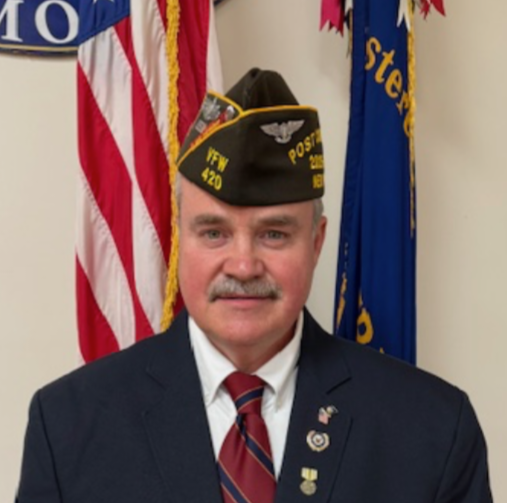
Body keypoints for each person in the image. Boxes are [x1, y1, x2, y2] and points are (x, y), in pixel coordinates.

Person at [16, 68, 492, 503]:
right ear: (180, 239)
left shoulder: (433, 431)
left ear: (316, 242)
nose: (243, 266)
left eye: (274, 234)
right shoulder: (67, 427)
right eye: (214, 233)